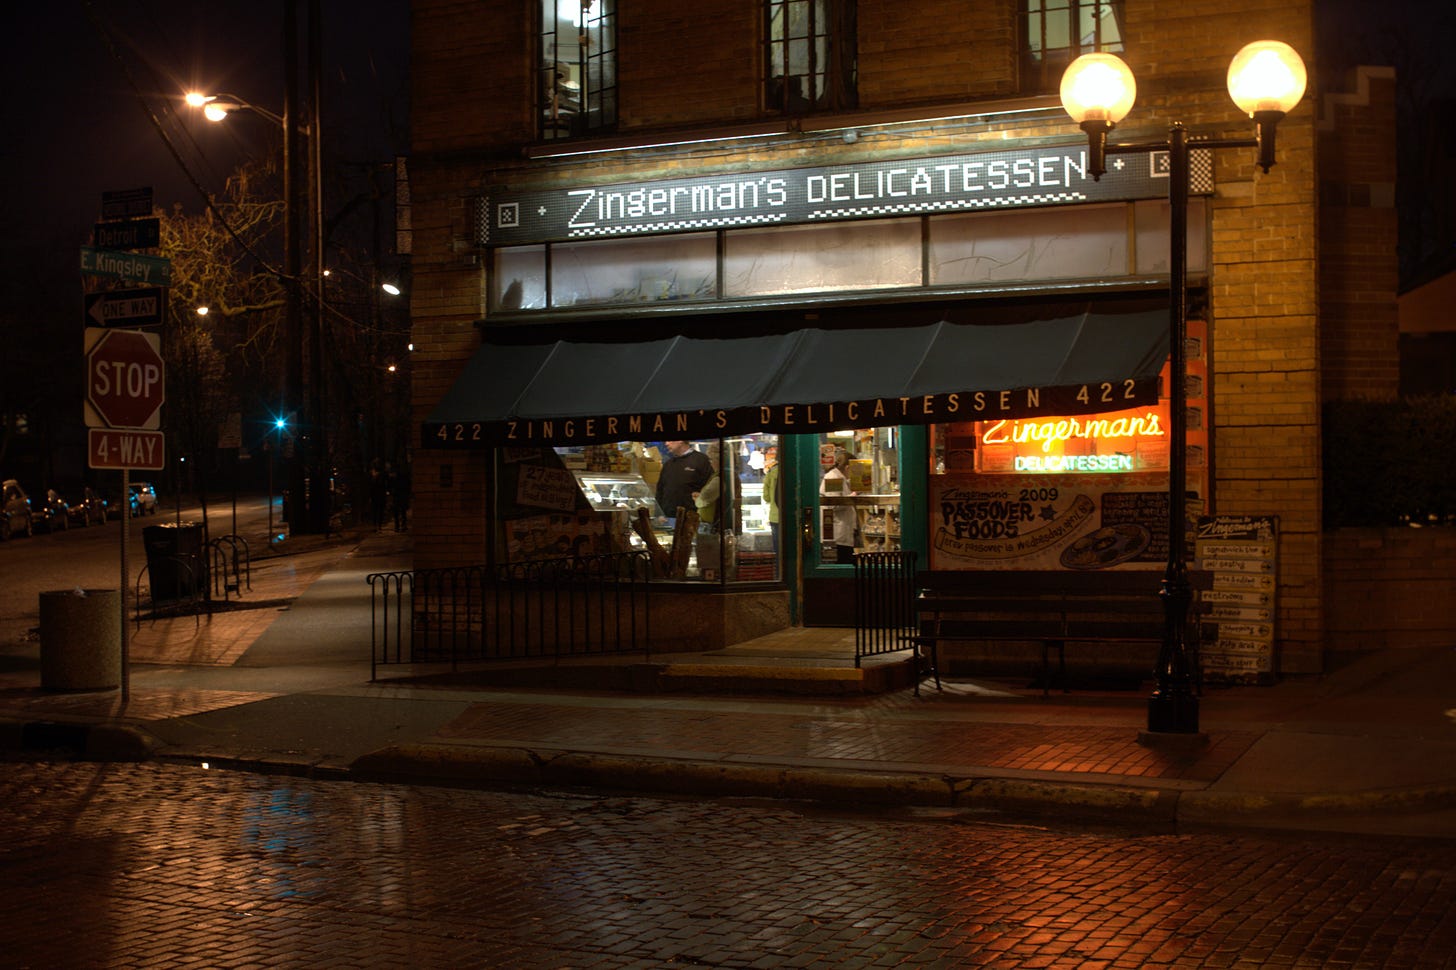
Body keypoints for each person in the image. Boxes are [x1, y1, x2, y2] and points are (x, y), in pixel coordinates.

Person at [655, 440, 713, 525]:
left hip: (692, 519)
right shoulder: (668, 464)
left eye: (670, 440)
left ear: (681, 441)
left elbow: (709, 491)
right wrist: (659, 514)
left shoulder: (701, 460)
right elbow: (660, 491)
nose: (666, 443)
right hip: (668, 520)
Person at [820, 447, 858, 564]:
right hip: (836, 537)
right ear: (847, 468)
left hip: (840, 536)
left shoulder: (837, 478)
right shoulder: (833, 478)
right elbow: (834, 504)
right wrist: (851, 497)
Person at [762, 448, 781, 552]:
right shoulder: (794, 470)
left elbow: (766, 497)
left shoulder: (771, 472)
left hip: (775, 517)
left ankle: (780, 568)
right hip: (792, 517)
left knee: (778, 550)